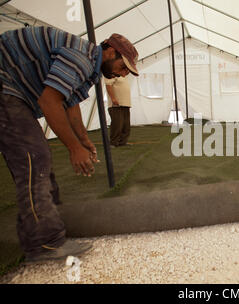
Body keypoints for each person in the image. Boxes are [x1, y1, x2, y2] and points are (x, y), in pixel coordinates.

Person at [0, 27, 139, 263]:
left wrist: (83, 141)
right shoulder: (80, 58)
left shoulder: (91, 69)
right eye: (123, 66)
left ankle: (49, 225)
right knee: (35, 157)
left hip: (14, 90)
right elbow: (49, 102)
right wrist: (74, 148)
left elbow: (69, 104)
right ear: (110, 51)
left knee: (36, 159)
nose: (123, 74)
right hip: (6, 87)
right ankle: (44, 242)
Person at [105, 76, 132, 147]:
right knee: (117, 124)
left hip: (125, 104)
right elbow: (108, 86)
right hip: (116, 104)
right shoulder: (111, 74)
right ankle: (113, 142)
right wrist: (113, 99)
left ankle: (123, 142)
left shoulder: (124, 76)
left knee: (126, 125)